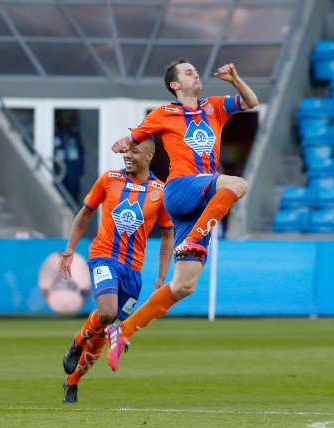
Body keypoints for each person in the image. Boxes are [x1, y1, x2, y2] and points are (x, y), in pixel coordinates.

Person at [105, 59, 258, 371]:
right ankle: (197, 238)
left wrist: (235, 78)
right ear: (175, 85)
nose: (195, 73)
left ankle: (123, 330)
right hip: (181, 189)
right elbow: (134, 137)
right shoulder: (163, 113)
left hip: (202, 204)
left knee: (184, 285)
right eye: (188, 72)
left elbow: (251, 102)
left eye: (195, 70)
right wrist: (125, 141)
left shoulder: (215, 107)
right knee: (238, 184)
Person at [58, 139, 174, 403]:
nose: (128, 155)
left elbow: (168, 236)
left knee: (106, 328)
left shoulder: (160, 191)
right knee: (108, 313)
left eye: (135, 151)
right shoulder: (109, 179)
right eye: (127, 151)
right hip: (104, 258)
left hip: (133, 271)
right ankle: (77, 342)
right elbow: (84, 214)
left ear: (149, 156)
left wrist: (161, 275)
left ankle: (72, 381)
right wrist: (69, 249)